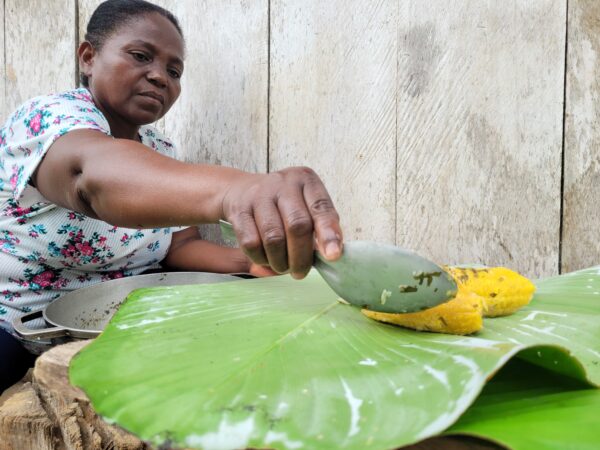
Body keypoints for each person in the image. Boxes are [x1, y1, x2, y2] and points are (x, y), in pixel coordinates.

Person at [0, 0, 343, 391]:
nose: (160, 77)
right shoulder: (47, 119)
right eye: (141, 56)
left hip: (121, 321)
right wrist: (235, 190)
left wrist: (253, 263)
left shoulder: (160, 150)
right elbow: (88, 175)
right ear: (88, 56)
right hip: (18, 326)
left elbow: (178, 246)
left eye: (174, 71)